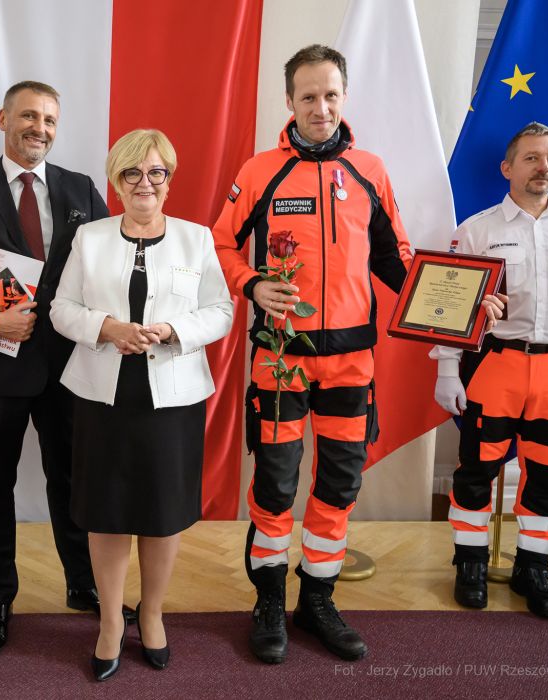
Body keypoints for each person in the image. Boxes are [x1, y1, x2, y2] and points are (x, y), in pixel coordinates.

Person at [213, 44, 412, 664]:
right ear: (290, 101)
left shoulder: (370, 171)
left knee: (339, 483)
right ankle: (269, 600)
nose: (320, 107)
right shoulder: (261, 170)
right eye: (307, 96)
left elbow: (397, 259)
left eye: (330, 95)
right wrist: (252, 284)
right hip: (280, 359)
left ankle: (317, 600)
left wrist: (456, 303)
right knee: (275, 483)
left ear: (343, 97)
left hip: (352, 361)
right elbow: (219, 245)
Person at [0, 81, 112, 655]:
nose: (40, 128)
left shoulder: (81, 189)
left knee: (73, 481)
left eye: (50, 120)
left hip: (70, 368)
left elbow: (109, 266)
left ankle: (84, 585)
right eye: (29, 116)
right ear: (3, 119)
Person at [51, 129, 233, 680]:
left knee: (160, 514)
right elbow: (61, 309)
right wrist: (106, 327)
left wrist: (175, 331)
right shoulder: (90, 239)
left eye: (156, 173)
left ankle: (151, 615)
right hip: (102, 398)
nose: (144, 183)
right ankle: (110, 622)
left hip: (172, 400)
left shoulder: (196, 239)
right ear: (116, 181)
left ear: (169, 180)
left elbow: (221, 311)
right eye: (132, 173)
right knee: (105, 514)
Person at [433, 122, 548, 620]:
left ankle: (533, 569)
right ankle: (469, 563)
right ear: (507, 167)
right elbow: (448, 307)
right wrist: (446, 370)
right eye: (532, 158)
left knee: (546, 478)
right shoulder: (477, 231)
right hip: (496, 367)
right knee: (476, 473)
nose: (543, 167)